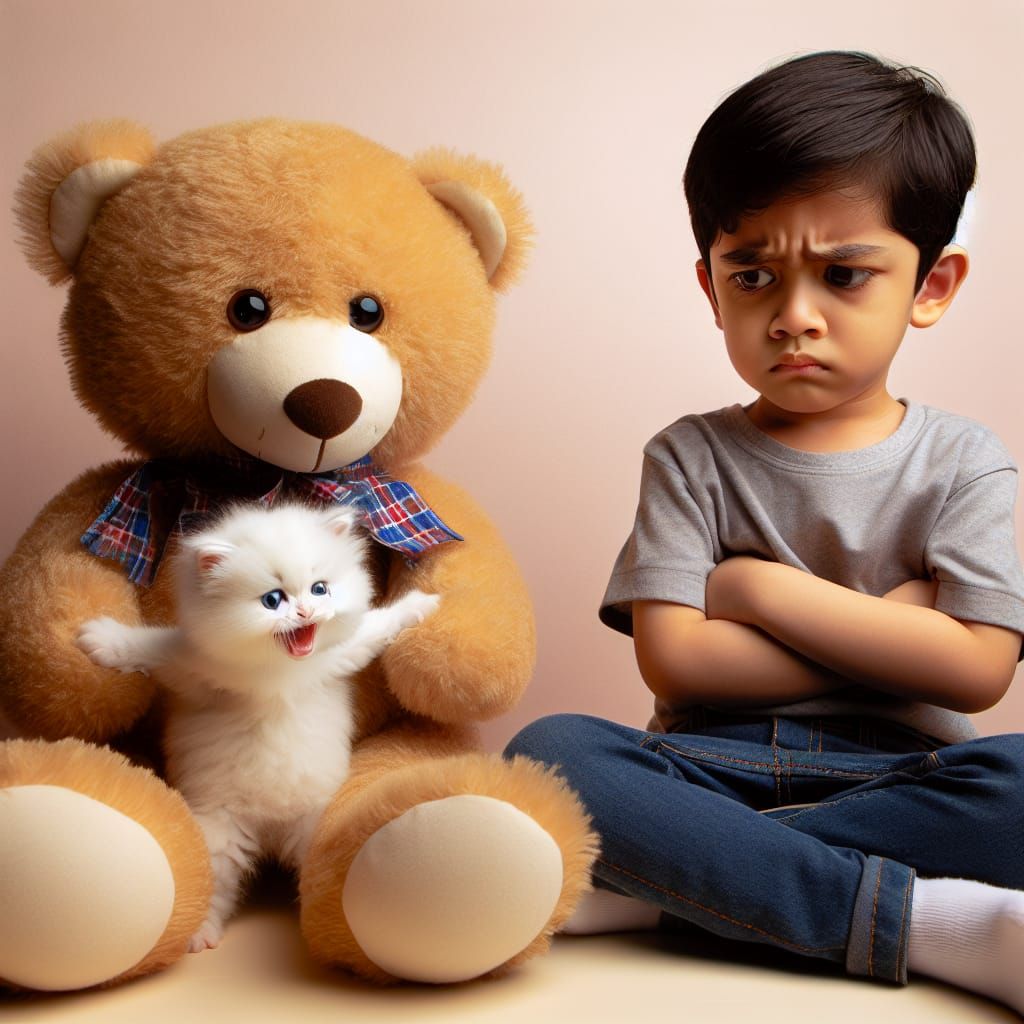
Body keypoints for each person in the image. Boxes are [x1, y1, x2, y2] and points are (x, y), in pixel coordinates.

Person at [506, 51, 1024, 1014]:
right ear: (712, 288)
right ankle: (924, 922)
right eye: (752, 276)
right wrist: (898, 629)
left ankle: (687, 885)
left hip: (906, 773)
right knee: (549, 752)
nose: (794, 317)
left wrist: (755, 590)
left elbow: (977, 670)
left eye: (844, 275)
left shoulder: (965, 461)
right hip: (709, 770)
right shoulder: (688, 456)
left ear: (932, 284)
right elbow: (679, 664)